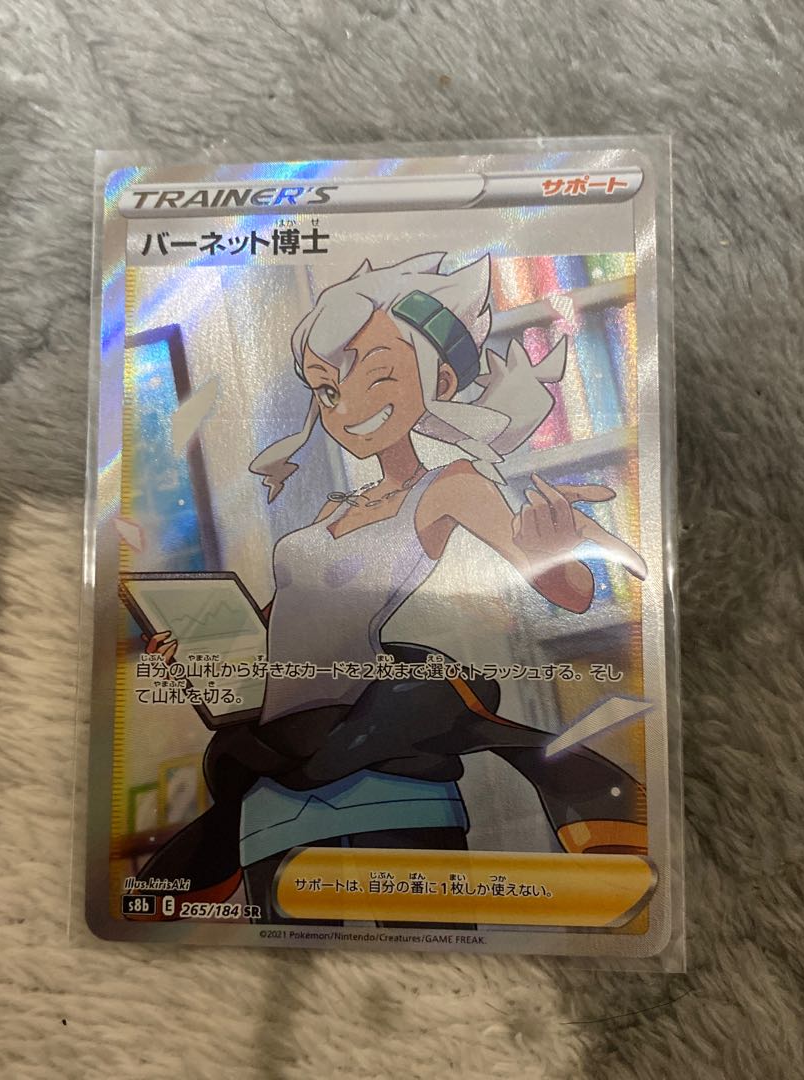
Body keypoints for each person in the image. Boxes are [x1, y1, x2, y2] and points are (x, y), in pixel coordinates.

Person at [138, 253, 648, 922]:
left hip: (379, 764)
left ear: (439, 380)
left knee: (432, 947)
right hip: (273, 784)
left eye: (376, 376)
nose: (346, 406)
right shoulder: (335, 509)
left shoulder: (451, 486)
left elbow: (573, 592)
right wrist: (201, 655)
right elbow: (282, 633)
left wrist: (554, 545)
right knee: (281, 959)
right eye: (327, 390)